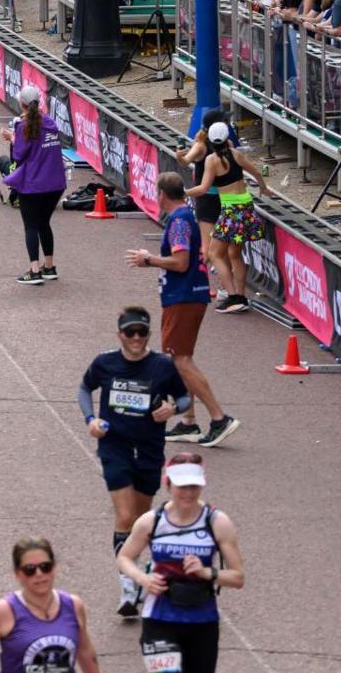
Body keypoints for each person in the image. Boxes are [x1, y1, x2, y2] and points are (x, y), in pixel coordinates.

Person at [81, 305, 193, 620]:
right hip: (114, 445)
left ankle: (138, 568)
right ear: (120, 334)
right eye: (129, 332)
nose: (135, 338)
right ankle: (129, 586)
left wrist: (172, 408)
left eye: (141, 332)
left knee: (140, 521)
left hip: (148, 448)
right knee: (125, 514)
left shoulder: (162, 366)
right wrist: (91, 419)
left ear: (147, 334)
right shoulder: (105, 363)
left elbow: (183, 397)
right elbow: (84, 388)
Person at [124, 172, 240, 447]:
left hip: (184, 296)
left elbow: (180, 262)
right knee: (179, 358)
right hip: (186, 295)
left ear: (162, 194)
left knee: (181, 361)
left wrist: (148, 259)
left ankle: (218, 417)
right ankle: (188, 421)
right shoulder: (185, 216)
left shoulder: (178, 221)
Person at [117, 454, 245, 673]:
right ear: (167, 484)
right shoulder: (151, 521)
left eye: (194, 486)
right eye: (182, 486)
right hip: (159, 618)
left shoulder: (217, 522)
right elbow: (125, 558)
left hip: (202, 621)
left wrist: (207, 573)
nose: (188, 492)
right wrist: (143, 579)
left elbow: (237, 577)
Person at [0, 538, 100, 673]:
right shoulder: (4, 611)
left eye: (45, 567)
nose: (39, 574)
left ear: (54, 568)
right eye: (30, 570)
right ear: (18, 574)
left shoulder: (73, 606)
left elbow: (85, 652)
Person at [185, 121, 263, 313]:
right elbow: (256, 172)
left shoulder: (212, 160)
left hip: (230, 210)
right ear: (227, 137)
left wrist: (185, 193)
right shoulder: (236, 154)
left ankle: (233, 296)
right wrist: (264, 188)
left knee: (214, 253)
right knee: (235, 254)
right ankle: (241, 295)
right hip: (245, 205)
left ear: (211, 140)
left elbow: (203, 188)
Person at [2, 87, 67, 284]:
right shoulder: (50, 122)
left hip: (34, 183)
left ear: (21, 104)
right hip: (55, 183)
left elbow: (19, 156)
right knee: (43, 223)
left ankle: (34, 270)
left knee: (30, 225)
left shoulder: (23, 126)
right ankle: (49, 267)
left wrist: (12, 138)